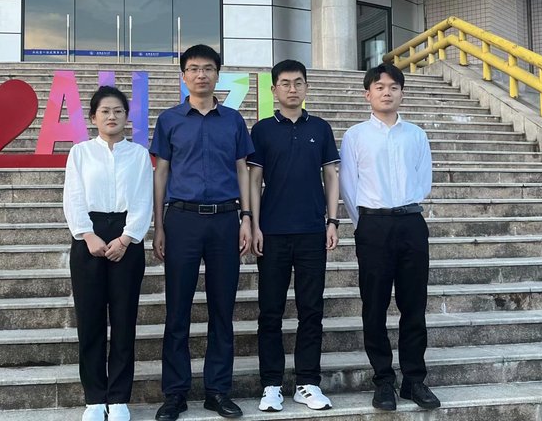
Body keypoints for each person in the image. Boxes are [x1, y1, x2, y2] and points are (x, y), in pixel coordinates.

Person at [150, 44, 254, 421]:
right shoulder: (169, 120)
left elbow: (243, 170)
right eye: (193, 68)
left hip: (225, 219)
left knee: (222, 308)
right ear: (183, 76)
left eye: (208, 68)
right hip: (182, 220)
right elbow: (161, 173)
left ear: (218, 74)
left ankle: (217, 390)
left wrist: (246, 218)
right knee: (177, 309)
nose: (201, 75)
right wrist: (159, 225)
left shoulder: (233, 120)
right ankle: (175, 393)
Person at [339, 63, 440, 412]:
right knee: (374, 305)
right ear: (367, 94)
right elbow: (348, 186)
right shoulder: (355, 136)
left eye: (393, 87)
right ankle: (383, 380)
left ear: (402, 93)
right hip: (373, 226)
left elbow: (423, 180)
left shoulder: (416, 135)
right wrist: (365, 223)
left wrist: (404, 209)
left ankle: (414, 380)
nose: (386, 92)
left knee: (414, 304)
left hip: (411, 223)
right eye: (379, 87)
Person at [248, 59, 340, 413]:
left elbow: (330, 175)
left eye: (298, 82)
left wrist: (333, 221)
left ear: (306, 87)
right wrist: (254, 224)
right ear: (273, 89)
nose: (292, 88)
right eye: (285, 83)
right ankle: (271, 384)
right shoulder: (262, 130)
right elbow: (255, 180)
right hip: (272, 232)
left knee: (311, 309)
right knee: (270, 311)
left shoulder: (320, 127)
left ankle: (308, 383)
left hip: (312, 232)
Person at [63, 86, 153, 421]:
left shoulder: (139, 155)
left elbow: (143, 199)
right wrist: (87, 234)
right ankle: (94, 398)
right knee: (90, 321)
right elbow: (73, 197)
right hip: (88, 237)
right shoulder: (80, 153)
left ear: (126, 116)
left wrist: (127, 238)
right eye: (104, 111)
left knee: (124, 320)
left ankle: (118, 398)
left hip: (126, 238)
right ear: (93, 117)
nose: (111, 116)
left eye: (117, 111)